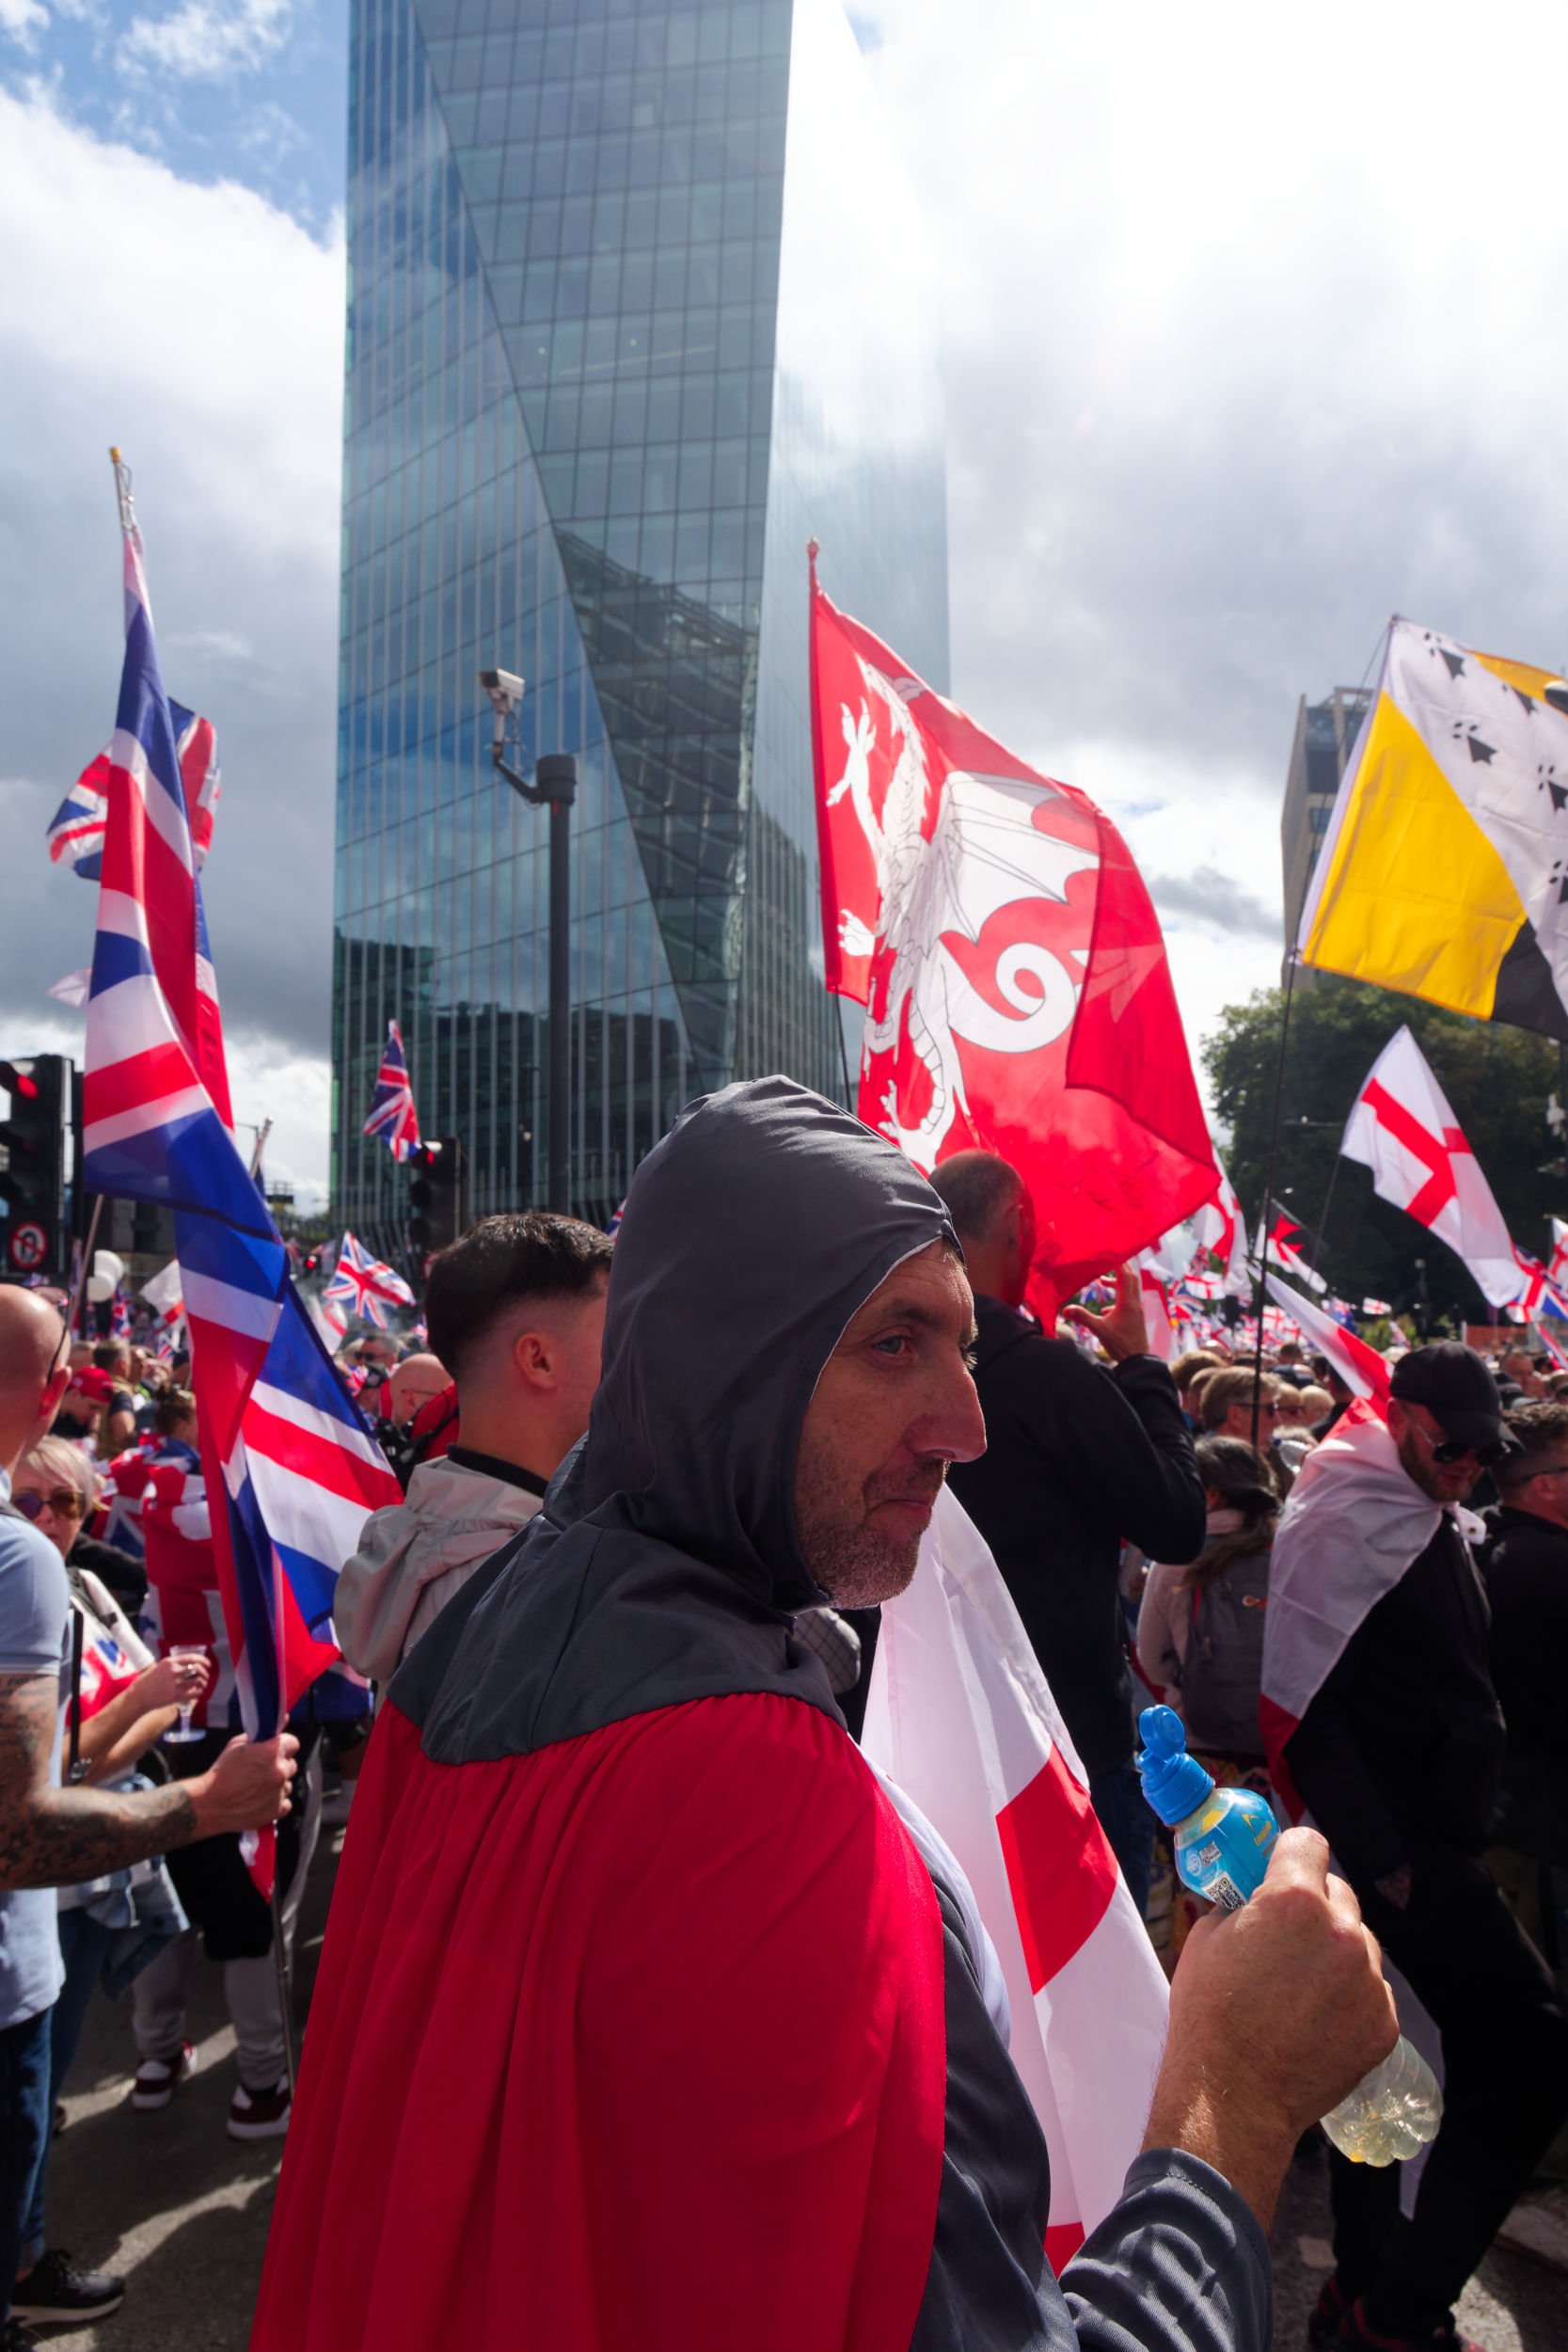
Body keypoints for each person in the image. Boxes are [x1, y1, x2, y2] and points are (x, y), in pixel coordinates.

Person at [253, 1076, 1397, 2352]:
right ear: (720, 1362)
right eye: (893, 1343)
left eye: (964, 1350)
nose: (965, 1426)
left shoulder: (470, 1639)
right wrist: (1230, 2097)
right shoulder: (753, 1794)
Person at [0, 1286, 295, 2345]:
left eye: (65, 1506)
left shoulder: (100, 1521)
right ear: (53, 1394)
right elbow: (15, 1828)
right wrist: (205, 1802)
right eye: (35, 1501)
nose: (51, 1519)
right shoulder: (23, 1560)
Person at [1271, 1344, 1568, 2352]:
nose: (1469, 1467)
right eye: (1452, 1447)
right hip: (1399, 1851)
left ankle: (1363, 2297)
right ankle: (1398, 2312)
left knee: (1384, 2076)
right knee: (1529, 2054)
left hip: (1430, 1837)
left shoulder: (1420, 1508)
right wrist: (1384, 1859)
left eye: (1485, 1453)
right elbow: (1307, 1700)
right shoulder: (1344, 1511)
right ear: (1399, 1416)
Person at [928, 1152, 1204, 1912]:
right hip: (1068, 1748)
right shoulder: (1048, 1377)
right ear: (1017, 1225)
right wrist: (1141, 1367)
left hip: (929, 1747)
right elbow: (1176, 1523)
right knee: (1098, 1975)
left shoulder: (870, 1369)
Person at [129, 1397, 320, 2143]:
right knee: (255, 1913)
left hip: (163, 1732)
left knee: (170, 1901)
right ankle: (261, 2087)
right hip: (251, 1734)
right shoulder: (269, 1498)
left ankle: (154, 2059)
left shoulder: (152, 1487)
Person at [336, 1215, 613, 1682]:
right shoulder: (516, 1585)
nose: (634, 1356)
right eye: (615, 1335)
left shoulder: (433, 1541)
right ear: (539, 1359)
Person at [1480, 1404, 1568, 1885]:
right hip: (1544, 1812)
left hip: (1506, 1806)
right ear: (1545, 1484)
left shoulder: (1473, 1538)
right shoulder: (1548, 1562)